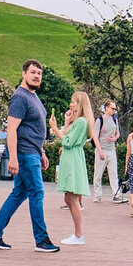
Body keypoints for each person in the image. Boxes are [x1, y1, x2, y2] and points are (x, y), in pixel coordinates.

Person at [0, 59, 59, 253]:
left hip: (33, 152)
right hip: (24, 154)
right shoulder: (20, 97)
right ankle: (41, 240)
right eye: (33, 72)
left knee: (19, 193)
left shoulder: (33, 96)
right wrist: (14, 158)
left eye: (39, 73)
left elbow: (32, 129)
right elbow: (12, 129)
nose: (36, 76)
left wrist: (41, 151)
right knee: (37, 193)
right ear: (24, 73)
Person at [49, 91, 99, 244]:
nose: (70, 104)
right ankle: (77, 234)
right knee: (68, 197)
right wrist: (67, 122)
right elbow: (68, 136)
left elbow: (68, 141)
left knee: (71, 197)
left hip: (72, 157)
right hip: (71, 156)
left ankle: (79, 235)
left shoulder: (81, 122)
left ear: (80, 104)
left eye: (73, 102)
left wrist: (54, 128)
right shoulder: (80, 121)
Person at [93, 100, 126, 203]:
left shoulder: (114, 120)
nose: (114, 111)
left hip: (112, 150)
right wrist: (100, 151)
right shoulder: (100, 120)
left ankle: (116, 195)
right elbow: (95, 136)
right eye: (112, 108)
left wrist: (115, 138)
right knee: (98, 174)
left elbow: (118, 133)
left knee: (113, 174)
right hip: (102, 149)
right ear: (106, 108)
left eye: (115, 109)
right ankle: (97, 195)